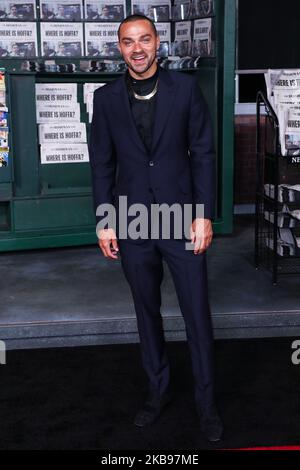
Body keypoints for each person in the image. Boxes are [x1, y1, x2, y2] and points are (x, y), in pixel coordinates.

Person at [89, 14, 223, 443]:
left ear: (158, 42)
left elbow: (203, 152)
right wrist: (105, 220)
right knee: (146, 314)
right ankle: (158, 391)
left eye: (145, 39)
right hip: (131, 221)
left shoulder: (185, 89)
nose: (138, 48)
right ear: (120, 48)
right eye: (129, 42)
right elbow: (102, 166)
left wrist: (204, 214)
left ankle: (206, 405)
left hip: (181, 219)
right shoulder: (105, 98)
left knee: (197, 316)